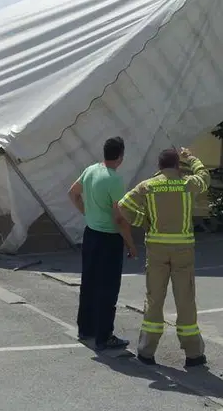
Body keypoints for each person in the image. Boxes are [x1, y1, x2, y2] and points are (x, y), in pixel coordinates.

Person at [118, 146, 210, 367]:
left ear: (159, 166)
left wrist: (144, 221)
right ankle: (193, 354)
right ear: (177, 165)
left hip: (157, 249)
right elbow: (204, 177)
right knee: (185, 300)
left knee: (154, 299)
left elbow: (123, 206)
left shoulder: (149, 186)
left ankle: (147, 351)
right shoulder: (188, 184)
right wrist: (191, 157)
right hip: (183, 251)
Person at [68, 136, 137, 350]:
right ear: (120, 156)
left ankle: (85, 329)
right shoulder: (115, 179)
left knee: (89, 283)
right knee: (107, 288)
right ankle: (104, 335)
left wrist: (87, 213)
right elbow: (119, 218)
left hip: (91, 234)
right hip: (109, 238)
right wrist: (131, 245)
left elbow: (73, 193)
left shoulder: (90, 170)